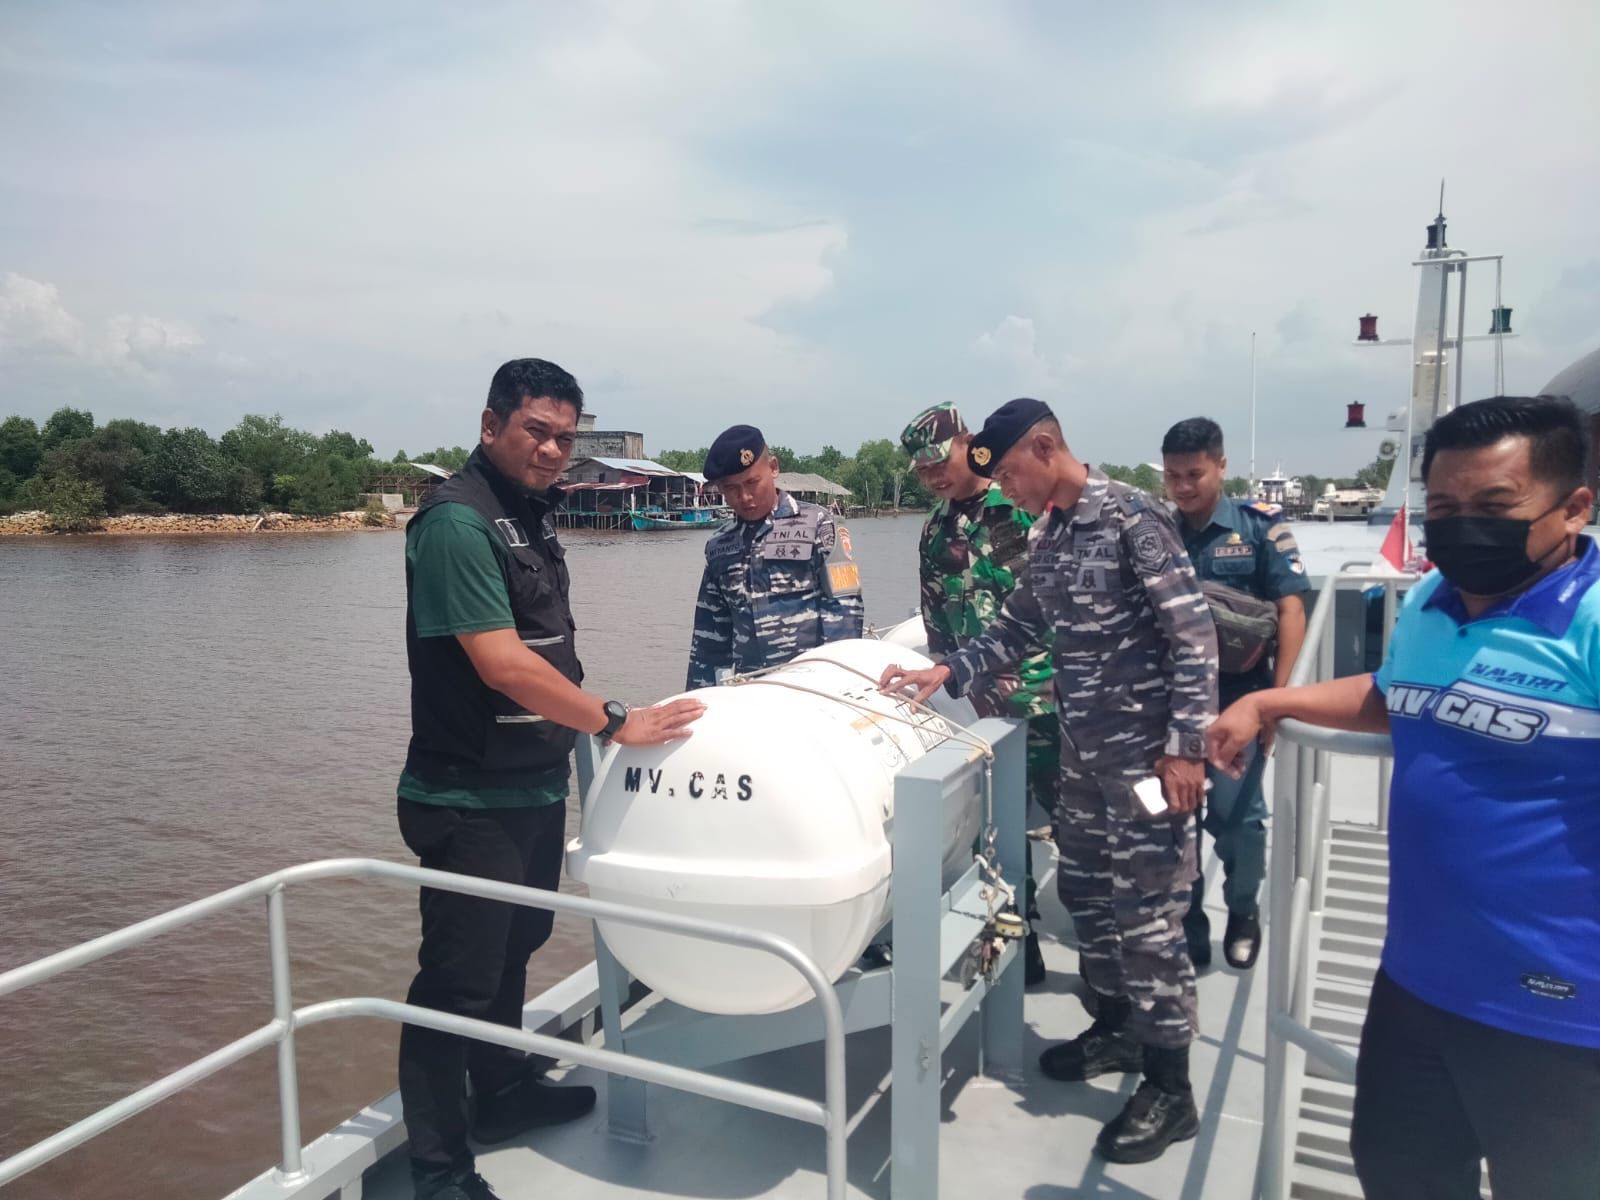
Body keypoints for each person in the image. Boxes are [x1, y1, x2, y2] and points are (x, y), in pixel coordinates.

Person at [1207, 394, 1600, 1200]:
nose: (1464, 528)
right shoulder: (1429, 603)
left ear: (1574, 508)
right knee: (1398, 1171)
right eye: (1446, 507)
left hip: (1560, 1008)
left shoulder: (1589, 623)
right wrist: (1270, 702)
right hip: (1418, 980)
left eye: (1494, 507)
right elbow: (1397, 696)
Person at [397, 358, 704, 1200]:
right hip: (469, 798)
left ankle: (498, 1095)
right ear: (492, 423)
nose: (553, 449)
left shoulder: (528, 519)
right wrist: (615, 721)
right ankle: (437, 1171)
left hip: (530, 787)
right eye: (537, 430)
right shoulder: (458, 524)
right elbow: (502, 666)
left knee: (513, 956)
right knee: (455, 981)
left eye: (566, 436)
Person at [881, 397, 1218, 1164]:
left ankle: (1172, 1086)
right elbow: (1017, 626)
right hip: (1082, 754)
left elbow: (1192, 636)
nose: (1009, 488)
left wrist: (1187, 749)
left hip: (1148, 765)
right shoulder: (1055, 534)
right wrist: (949, 670)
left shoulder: (1132, 519)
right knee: (1089, 893)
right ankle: (1120, 1030)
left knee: (1150, 913)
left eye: (1009, 472)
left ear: (1043, 447)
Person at [900, 400, 1058, 986]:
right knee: (993, 834)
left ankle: (1109, 966)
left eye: (940, 460)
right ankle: (1024, 946)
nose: (934, 476)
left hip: (1046, 701)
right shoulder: (935, 529)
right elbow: (936, 620)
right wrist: (947, 684)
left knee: (1081, 830)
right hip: (977, 708)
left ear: (967, 442)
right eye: (921, 471)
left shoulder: (1021, 508)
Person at [1161, 417, 1308, 970]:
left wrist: (1277, 699)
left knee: (1237, 817)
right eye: (1173, 476)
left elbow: (1291, 609)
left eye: (1194, 474)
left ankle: (1243, 909)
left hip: (1239, 697)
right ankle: (1189, 920)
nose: (1182, 487)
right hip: (1171, 698)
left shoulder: (1259, 529)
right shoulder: (1158, 531)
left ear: (1220, 466)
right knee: (1176, 821)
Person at [686, 424, 864, 688]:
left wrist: (835, 684)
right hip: (752, 691)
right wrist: (695, 701)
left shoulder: (820, 524)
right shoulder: (719, 546)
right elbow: (709, 637)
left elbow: (845, 610)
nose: (744, 497)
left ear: (773, 468)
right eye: (731, 488)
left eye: (752, 482)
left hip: (816, 687)